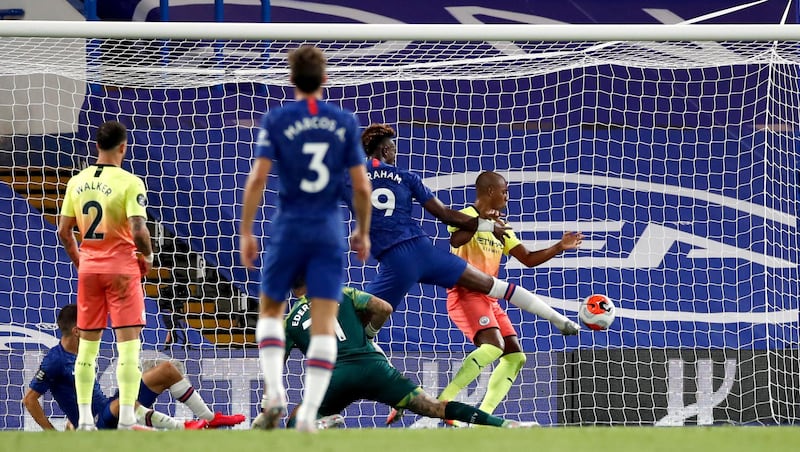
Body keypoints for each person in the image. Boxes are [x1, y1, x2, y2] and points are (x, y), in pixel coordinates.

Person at [239, 45, 372, 433]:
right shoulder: (344, 122)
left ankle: (276, 394)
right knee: (324, 324)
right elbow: (361, 187)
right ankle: (310, 414)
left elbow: (258, 179)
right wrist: (362, 230)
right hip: (328, 230)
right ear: (325, 79)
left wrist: (247, 231)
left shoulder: (277, 119)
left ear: (291, 79)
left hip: (289, 227)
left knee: (270, 313)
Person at [359, 123, 579, 334]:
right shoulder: (407, 178)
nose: (396, 154)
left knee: (368, 312)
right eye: (394, 148)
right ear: (386, 149)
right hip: (424, 252)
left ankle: (364, 339)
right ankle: (558, 320)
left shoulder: (352, 177)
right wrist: (486, 226)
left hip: (396, 260)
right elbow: (446, 218)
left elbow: (527, 258)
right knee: (496, 295)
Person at [281, 279, 536, 429]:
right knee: (435, 407)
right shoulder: (343, 293)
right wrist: (368, 332)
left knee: (299, 416)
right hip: (375, 368)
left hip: (336, 377)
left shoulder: (290, 321)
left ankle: (318, 424)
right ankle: (505, 425)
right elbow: (383, 307)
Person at [436, 171, 583, 425]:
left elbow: (527, 258)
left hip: (490, 298)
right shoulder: (466, 216)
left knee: (515, 356)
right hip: (465, 294)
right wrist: (483, 222)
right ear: (490, 191)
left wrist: (559, 247)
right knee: (493, 347)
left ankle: (483, 418)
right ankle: (443, 403)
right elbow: (456, 239)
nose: (507, 196)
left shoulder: (503, 227)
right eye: (504, 191)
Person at [57, 120, 153, 430]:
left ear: (97, 146)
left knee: (87, 346)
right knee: (128, 347)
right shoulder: (130, 182)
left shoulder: (77, 181)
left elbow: (63, 230)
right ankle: (126, 418)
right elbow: (138, 229)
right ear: (123, 147)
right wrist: (148, 256)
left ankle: (84, 421)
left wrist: (80, 261)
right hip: (122, 269)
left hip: (90, 270)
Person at [22, 304, 246, 431]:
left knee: (167, 369)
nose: (98, 328)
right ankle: (182, 428)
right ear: (77, 330)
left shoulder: (83, 350)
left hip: (107, 408)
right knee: (126, 402)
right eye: (91, 324)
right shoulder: (55, 360)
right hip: (96, 424)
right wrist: (52, 435)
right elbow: (29, 399)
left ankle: (209, 418)